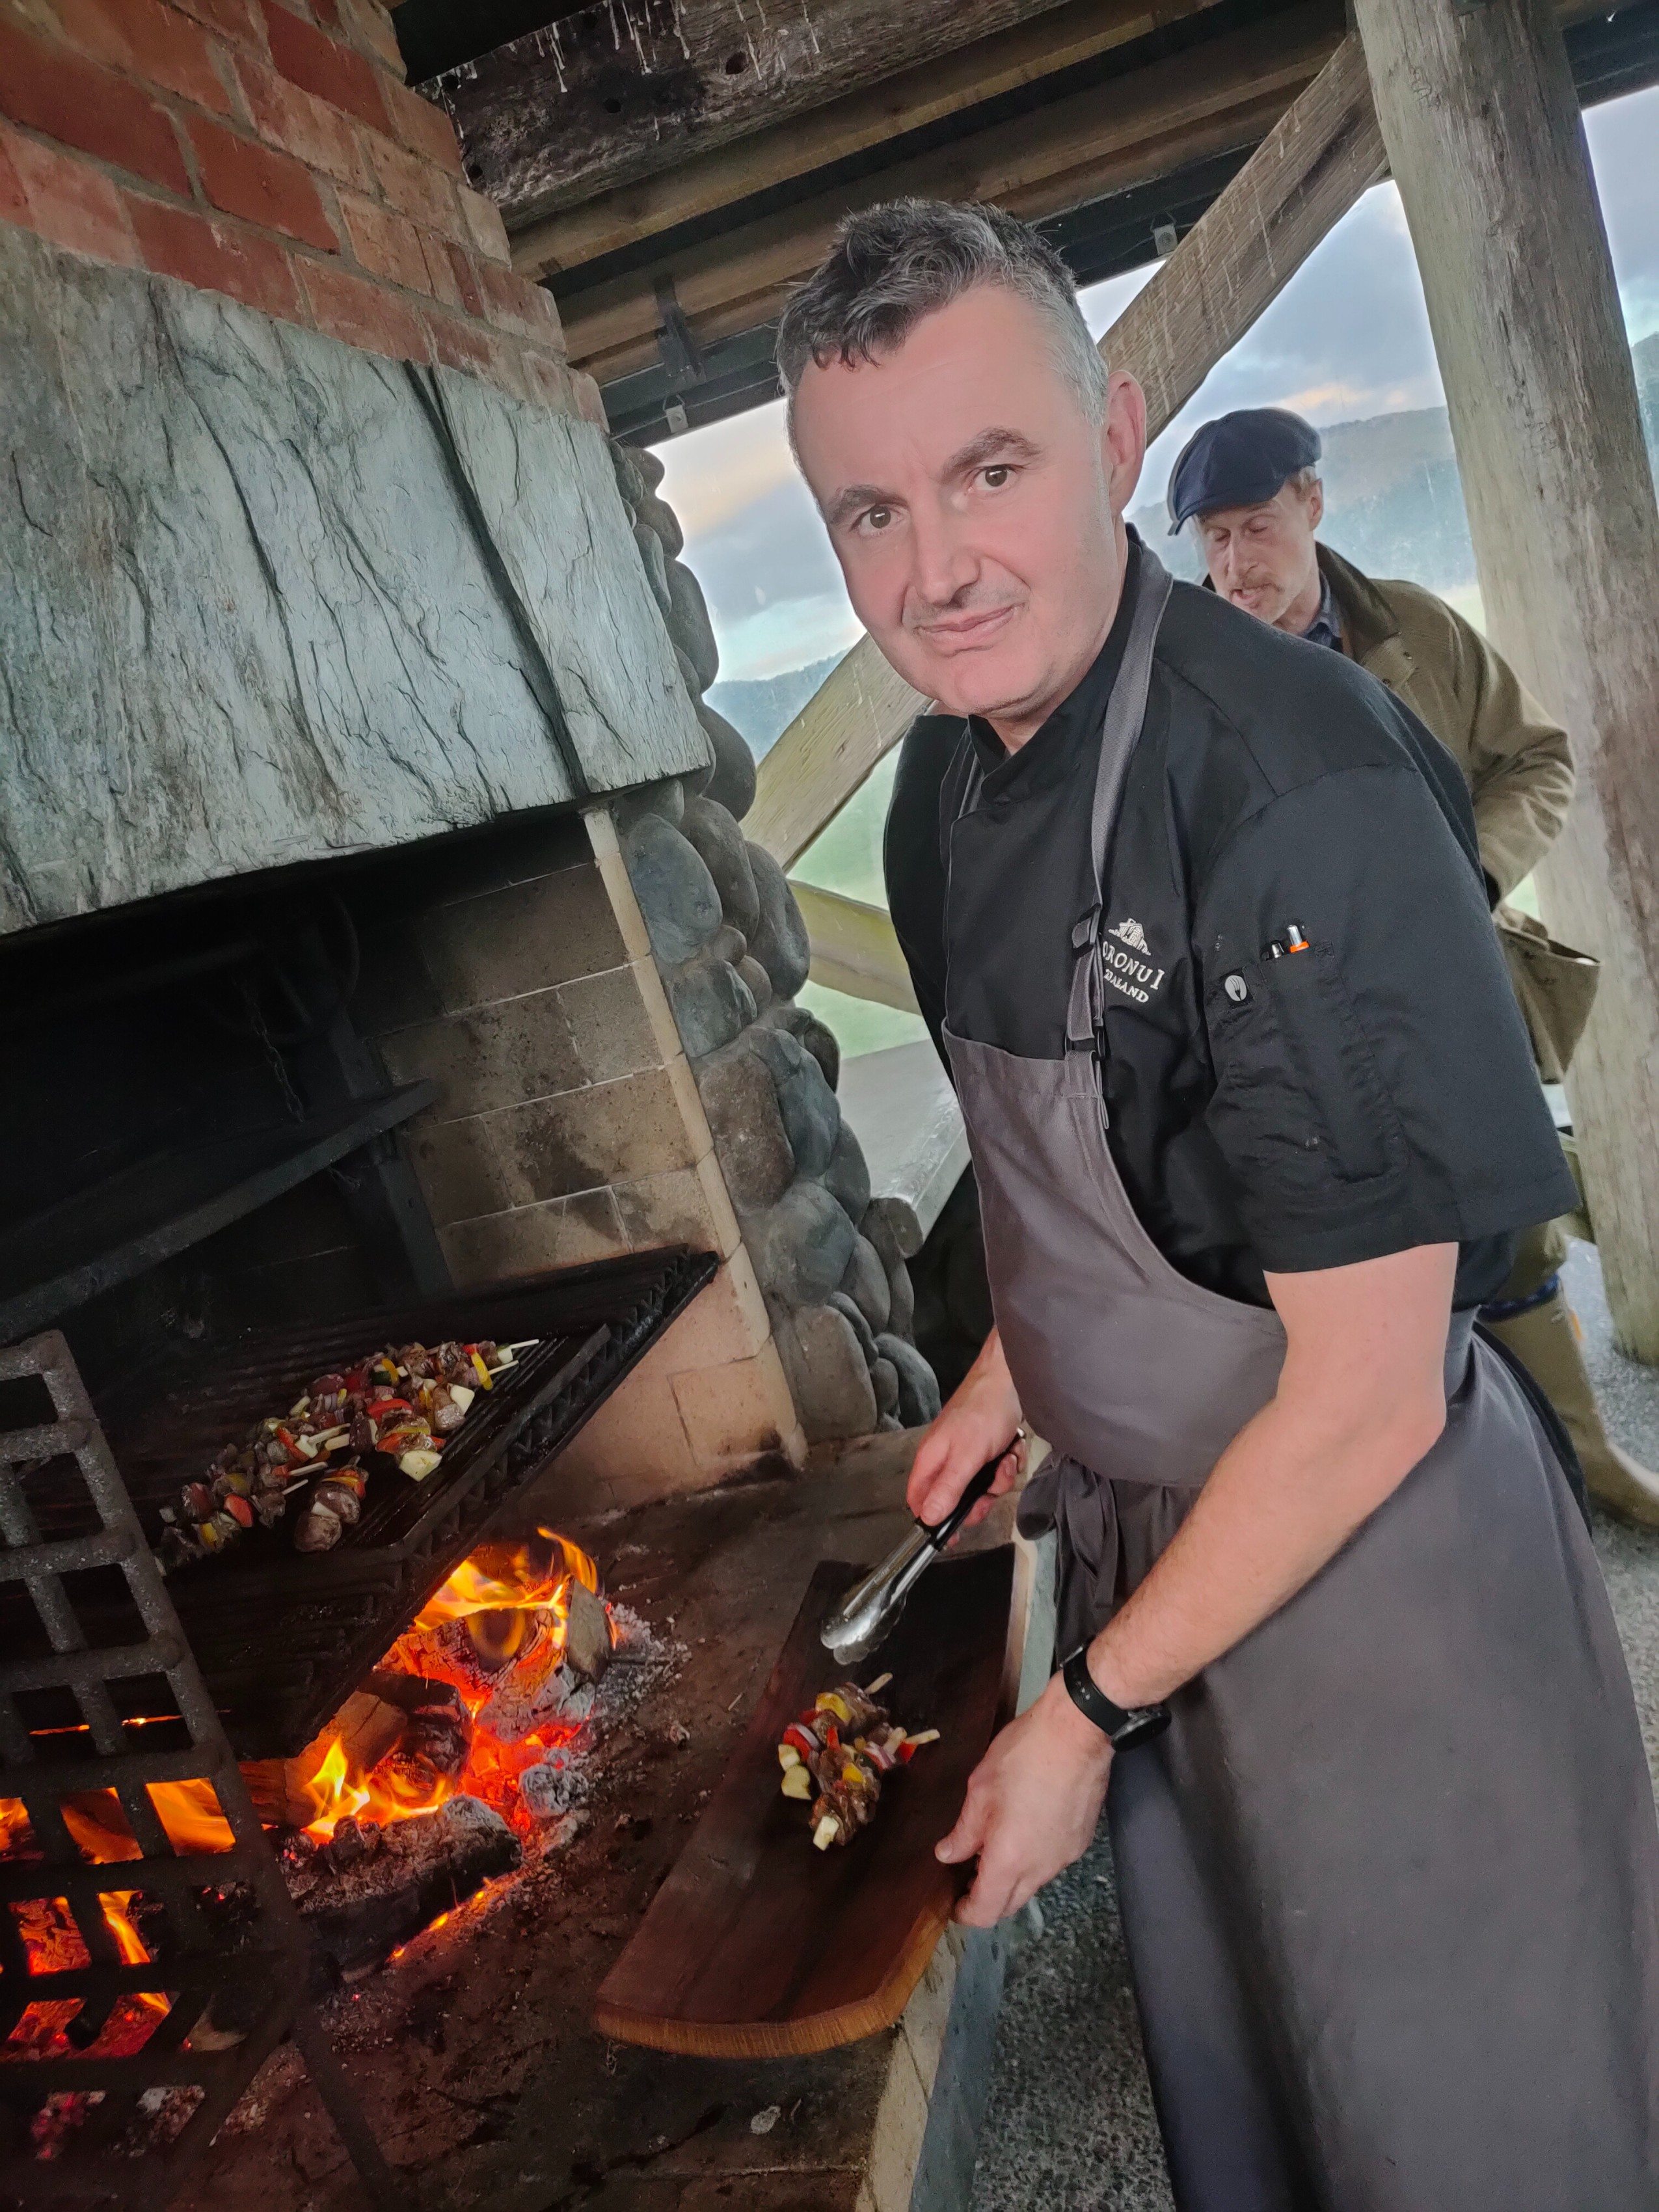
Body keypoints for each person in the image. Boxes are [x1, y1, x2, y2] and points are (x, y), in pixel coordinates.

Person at [777, 198, 1659, 2209]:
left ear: (1110, 430)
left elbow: (1357, 1396)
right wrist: (1019, 1374)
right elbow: (1116, 1170)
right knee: (1261, 2090)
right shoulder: (941, 792)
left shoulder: (1296, 793)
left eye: (985, 472)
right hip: (1147, 1563)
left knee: (1451, 2125)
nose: (934, 573)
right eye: (868, 515)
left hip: (1366, 1584)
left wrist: (1079, 1712)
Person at [1165, 404, 1658, 1524]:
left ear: (1311, 502)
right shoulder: (1185, 693)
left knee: (1511, 1223)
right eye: (1212, 540)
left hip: (1445, 992)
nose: (1234, 566)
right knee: (1350, 1268)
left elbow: (1536, 758)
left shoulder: (1419, 636)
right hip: (1287, 1028)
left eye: (1254, 527)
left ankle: (1584, 1468)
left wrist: (1468, 874)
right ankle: (1453, 1518)